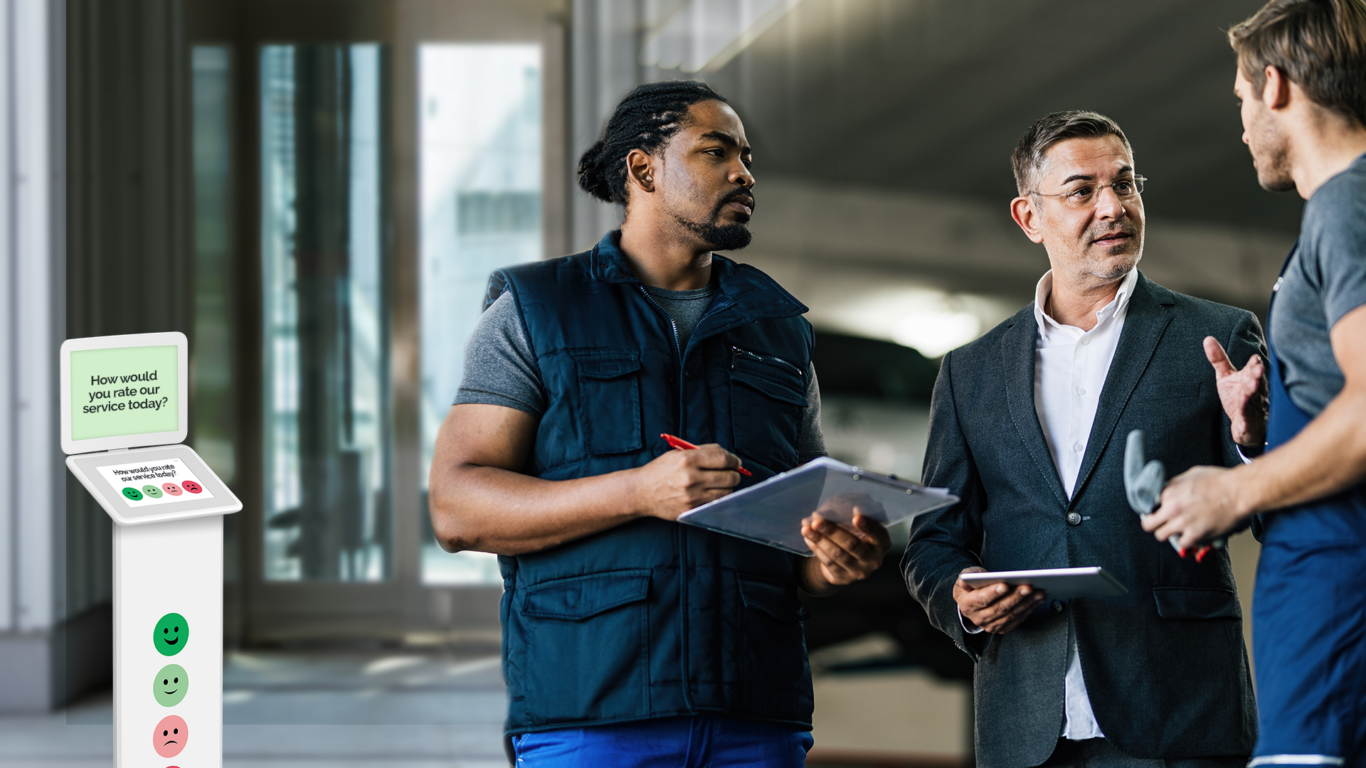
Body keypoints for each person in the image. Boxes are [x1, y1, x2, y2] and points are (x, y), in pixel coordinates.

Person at [427, 80, 891, 767]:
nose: (743, 173)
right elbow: (457, 508)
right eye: (716, 152)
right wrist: (637, 492)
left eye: (748, 158)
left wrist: (836, 558)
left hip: (756, 719)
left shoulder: (780, 332)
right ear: (643, 169)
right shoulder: (537, 309)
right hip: (593, 717)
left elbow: (803, 534)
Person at [902, 110, 1265, 768]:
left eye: (1125, 185)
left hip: (1179, 709)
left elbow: (1277, 508)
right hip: (1026, 723)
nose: (1113, 207)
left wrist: (1255, 443)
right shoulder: (970, 371)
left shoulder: (1216, 338)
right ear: (1029, 217)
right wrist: (961, 595)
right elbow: (933, 540)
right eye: (1081, 191)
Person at [1140, 1, 1366, 765]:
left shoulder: (1347, 207)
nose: (1241, 128)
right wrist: (1265, 432)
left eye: (1240, 100)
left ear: (1274, 86)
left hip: (1338, 609)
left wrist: (1234, 490)